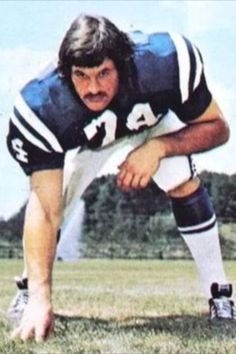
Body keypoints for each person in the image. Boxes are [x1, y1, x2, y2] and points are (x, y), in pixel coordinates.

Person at [7, 13, 234, 342]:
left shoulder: (165, 62)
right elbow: (43, 209)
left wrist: (158, 148)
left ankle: (219, 294)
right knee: (55, 198)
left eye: (103, 73)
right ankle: (31, 291)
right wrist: (43, 300)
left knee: (180, 174)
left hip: (151, 127)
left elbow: (218, 128)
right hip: (91, 144)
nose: (93, 87)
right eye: (81, 76)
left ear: (124, 65)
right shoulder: (44, 105)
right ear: (65, 72)